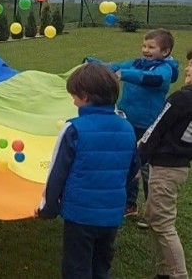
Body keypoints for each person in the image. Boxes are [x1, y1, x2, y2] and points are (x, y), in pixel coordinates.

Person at [36, 62, 139, 279]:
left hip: (80, 216)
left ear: (84, 96)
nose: (73, 101)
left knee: (77, 268)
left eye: (74, 96)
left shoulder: (73, 128)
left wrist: (48, 208)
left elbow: (57, 173)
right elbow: (132, 169)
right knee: (101, 266)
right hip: (111, 215)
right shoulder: (127, 127)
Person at [85, 28, 179, 222]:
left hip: (148, 127)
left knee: (145, 168)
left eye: (151, 47)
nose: (145, 50)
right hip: (127, 122)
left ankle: (152, 210)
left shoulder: (165, 70)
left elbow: (150, 79)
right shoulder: (138, 63)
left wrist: (124, 74)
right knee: (127, 162)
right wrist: (94, 63)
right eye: (144, 45)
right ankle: (129, 204)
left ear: (165, 51)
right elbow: (114, 66)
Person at [137, 48, 192, 279]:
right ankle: (164, 271)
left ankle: (178, 275)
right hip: (179, 167)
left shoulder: (182, 98)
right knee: (154, 218)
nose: (187, 69)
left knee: (162, 224)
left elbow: (156, 128)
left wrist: (137, 158)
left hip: (166, 168)